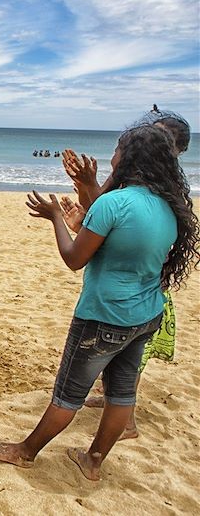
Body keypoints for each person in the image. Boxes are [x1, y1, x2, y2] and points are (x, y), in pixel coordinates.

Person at [0, 124, 199, 481]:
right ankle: (93, 460)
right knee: (121, 394)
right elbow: (125, 246)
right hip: (146, 314)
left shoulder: (114, 203)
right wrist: (85, 208)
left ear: (130, 156)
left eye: (118, 147)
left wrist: (56, 217)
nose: (113, 154)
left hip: (103, 315)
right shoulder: (170, 206)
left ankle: (26, 452)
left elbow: (74, 258)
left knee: (67, 394)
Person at [61, 110, 192, 439]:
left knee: (111, 368)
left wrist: (64, 219)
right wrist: (86, 186)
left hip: (123, 294)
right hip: (142, 295)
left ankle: (125, 422)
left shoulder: (161, 189)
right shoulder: (162, 192)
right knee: (122, 368)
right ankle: (115, 415)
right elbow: (103, 213)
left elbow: (101, 223)